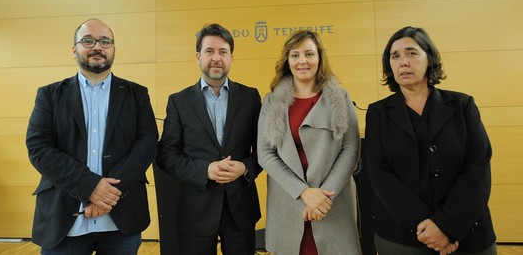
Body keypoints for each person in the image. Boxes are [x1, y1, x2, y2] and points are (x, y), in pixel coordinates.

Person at [26, 18, 159, 254]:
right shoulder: (49, 95)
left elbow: (147, 144)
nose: (97, 46)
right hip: (64, 221)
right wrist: (89, 187)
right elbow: (39, 148)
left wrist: (106, 194)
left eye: (105, 41)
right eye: (88, 40)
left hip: (122, 218)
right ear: (74, 49)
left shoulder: (136, 94)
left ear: (113, 50)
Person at [364, 26, 497, 255]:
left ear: (429, 59)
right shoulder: (378, 113)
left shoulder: (462, 105)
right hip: (403, 238)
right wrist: (429, 227)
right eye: (395, 56)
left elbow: (478, 168)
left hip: (468, 234)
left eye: (411, 53)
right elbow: (380, 175)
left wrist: (447, 226)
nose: (403, 62)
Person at [156, 23, 262, 255]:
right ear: (198, 56)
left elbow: (265, 150)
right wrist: (205, 170)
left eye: (223, 52)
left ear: (231, 57)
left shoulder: (250, 97)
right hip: (196, 209)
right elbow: (167, 155)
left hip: (240, 208)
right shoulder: (179, 101)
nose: (216, 58)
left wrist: (244, 167)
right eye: (209, 51)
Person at [257, 30, 362, 255]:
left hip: (331, 205)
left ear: (319, 58)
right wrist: (304, 192)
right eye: (295, 55)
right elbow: (265, 154)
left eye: (309, 54)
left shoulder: (340, 97)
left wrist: (322, 196)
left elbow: (351, 149)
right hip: (289, 203)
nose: (302, 61)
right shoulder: (272, 101)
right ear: (287, 60)